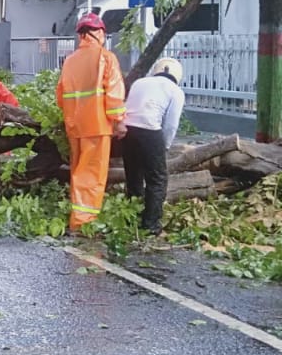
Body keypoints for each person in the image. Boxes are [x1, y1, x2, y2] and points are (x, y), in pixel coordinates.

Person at [55, 13, 126, 231]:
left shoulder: (70, 60)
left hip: (75, 126)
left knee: (78, 172)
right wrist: (119, 121)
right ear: (98, 33)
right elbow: (113, 92)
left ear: (81, 35)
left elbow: (60, 96)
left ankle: (77, 215)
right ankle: (83, 222)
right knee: (91, 175)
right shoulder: (105, 57)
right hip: (97, 125)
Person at [119, 57, 185, 235]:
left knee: (133, 175)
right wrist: (164, 146)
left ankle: (131, 214)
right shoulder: (175, 91)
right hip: (150, 131)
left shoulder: (140, 82)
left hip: (128, 131)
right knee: (157, 179)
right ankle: (151, 224)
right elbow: (171, 125)